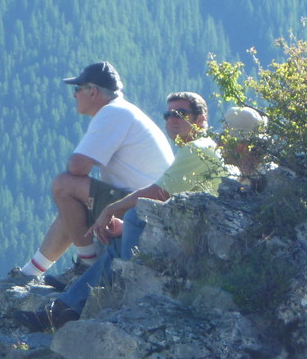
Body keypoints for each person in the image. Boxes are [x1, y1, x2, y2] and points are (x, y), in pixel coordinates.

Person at [14, 91, 226, 332]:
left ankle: (125, 289)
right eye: (168, 115)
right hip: (189, 230)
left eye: (181, 114)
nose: (172, 120)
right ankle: (62, 312)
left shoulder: (198, 149)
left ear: (201, 118)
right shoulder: (198, 148)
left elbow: (160, 193)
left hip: (198, 240)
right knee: (122, 236)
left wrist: (111, 209)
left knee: (133, 217)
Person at [16, 62, 174, 278]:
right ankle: (30, 273)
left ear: (93, 91)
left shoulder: (112, 112)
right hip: (150, 202)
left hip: (141, 204)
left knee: (65, 185)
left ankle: (87, 263)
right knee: (73, 209)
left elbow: (77, 167)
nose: (74, 96)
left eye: (77, 89)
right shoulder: (123, 111)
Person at [220, 106, 272, 186]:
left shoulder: (268, 179)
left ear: (242, 147)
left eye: (224, 142)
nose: (221, 146)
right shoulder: (250, 173)